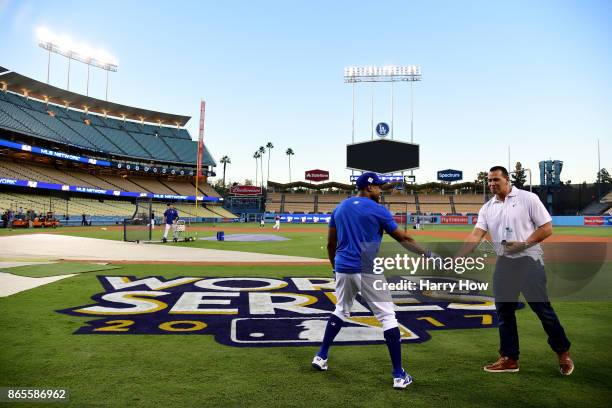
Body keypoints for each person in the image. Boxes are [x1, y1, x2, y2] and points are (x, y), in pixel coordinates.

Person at [311, 172, 438, 389]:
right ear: (369, 188)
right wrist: (428, 255)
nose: (381, 191)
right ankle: (399, 375)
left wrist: (335, 269)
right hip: (367, 268)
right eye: (379, 187)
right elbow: (403, 238)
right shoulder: (378, 210)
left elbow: (331, 244)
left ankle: (321, 357)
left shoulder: (340, 207)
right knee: (388, 317)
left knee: (341, 309)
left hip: (342, 267)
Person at [456, 166, 573, 375]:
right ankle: (510, 358)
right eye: (489, 181)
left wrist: (524, 244)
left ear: (507, 180)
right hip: (505, 263)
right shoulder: (488, 207)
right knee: (504, 312)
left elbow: (547, 228)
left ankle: (562, 352)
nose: (492, 184)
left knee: (542, 310)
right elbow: (476, 235)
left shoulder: (528, 198)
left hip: (530, 260)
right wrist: (458, 257)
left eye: (495, 180)